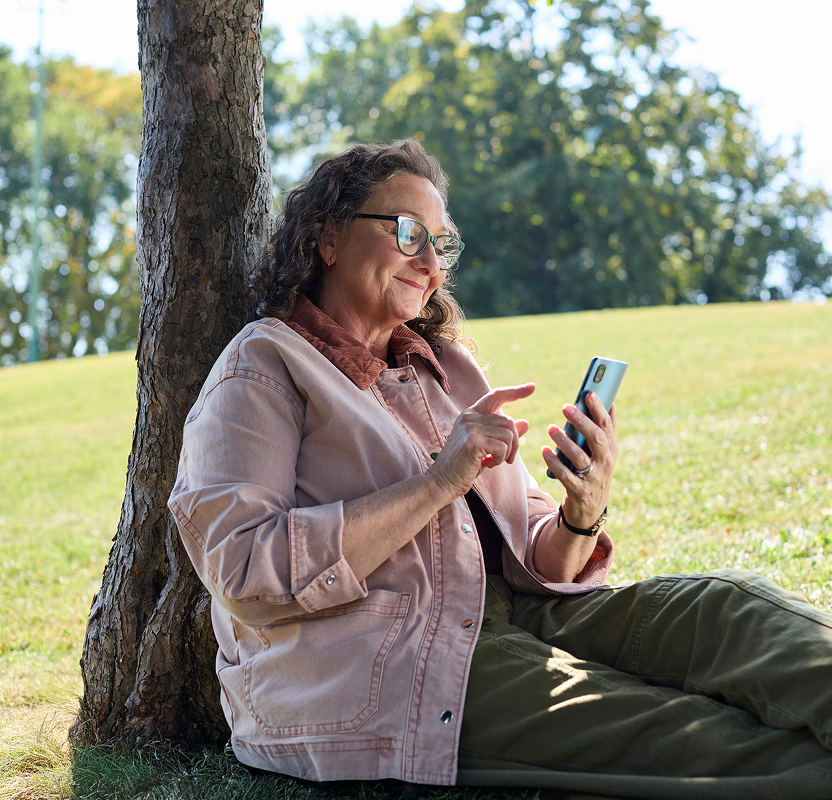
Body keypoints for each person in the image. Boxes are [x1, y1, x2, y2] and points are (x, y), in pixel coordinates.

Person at [168, 139, 832, 799]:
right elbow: (244, 571)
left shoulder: (442, 366)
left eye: (441, 244)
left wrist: (581, 510)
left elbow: (544, 556)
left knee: (727, 607)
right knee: (692, 733)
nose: (430, 263)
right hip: (388, 660)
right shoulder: (263, 366)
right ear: (328, 238)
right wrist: (435, 483)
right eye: (407, 233)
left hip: (514, 612)